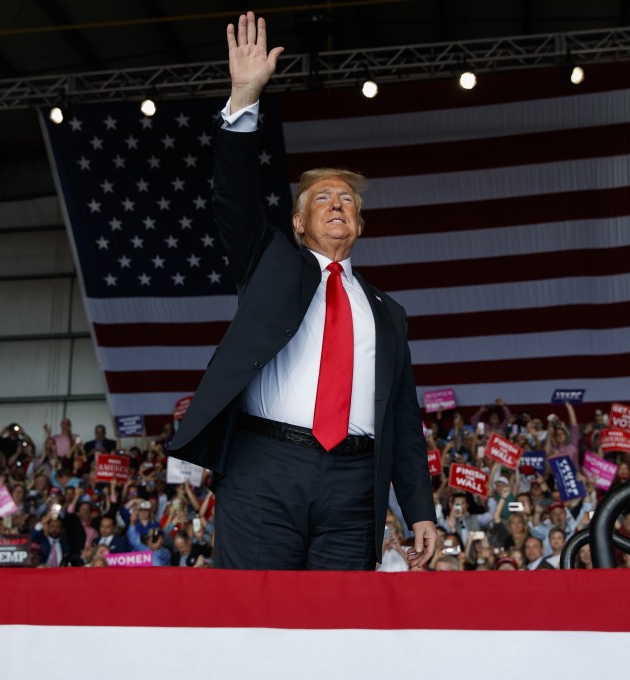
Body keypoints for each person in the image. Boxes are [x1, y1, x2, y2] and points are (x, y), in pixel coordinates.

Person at [167, 11, 436, 570]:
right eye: (321, 199)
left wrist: (420, 511)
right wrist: (244, 96)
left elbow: (404, 422)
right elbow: (235, 198)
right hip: (265, 471)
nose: (337, 205)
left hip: (356, 489)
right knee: (255, 629)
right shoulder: (269, 263)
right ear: (296, 224)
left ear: (360, 225)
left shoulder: (389, 314)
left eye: (347, 201)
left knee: (337, 639)